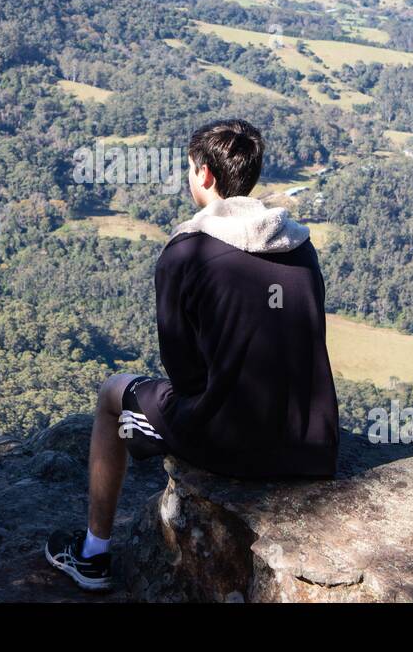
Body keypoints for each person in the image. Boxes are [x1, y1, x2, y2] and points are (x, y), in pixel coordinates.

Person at [45, 119, 339, 590]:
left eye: (188, 168)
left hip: (229, 443)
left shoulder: (187, 253)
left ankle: (92, 555)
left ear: (203, 175)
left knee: (111, 393)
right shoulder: (299, 245)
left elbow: (181, 371)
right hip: (311, 443)